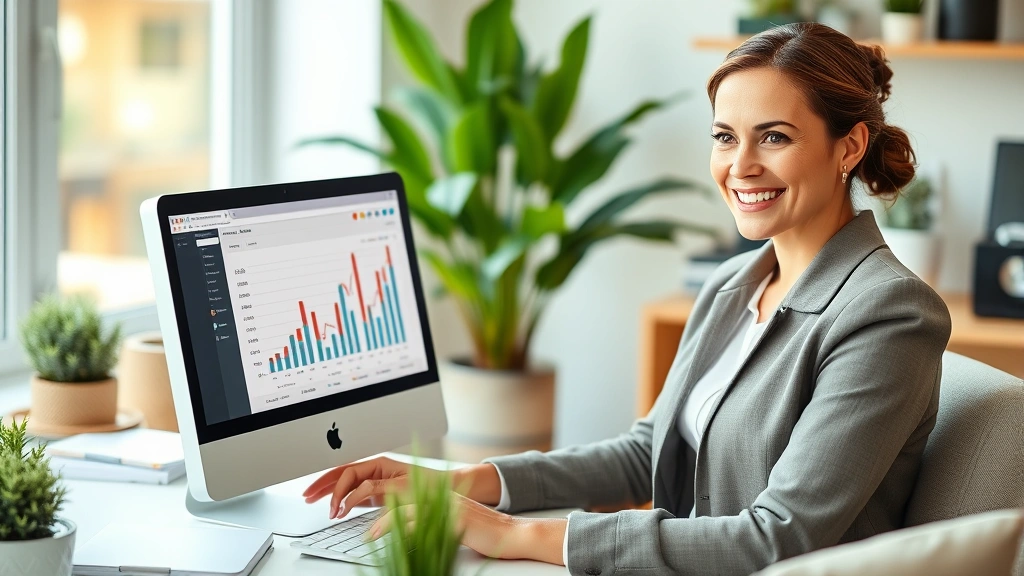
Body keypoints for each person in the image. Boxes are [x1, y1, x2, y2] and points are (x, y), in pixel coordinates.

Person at [302, 22, 952, 575]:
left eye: (774, 137)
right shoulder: (734, 287)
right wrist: (468, 482)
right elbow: (648, 454)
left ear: (849, 147)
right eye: (725, 137)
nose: (741, 165)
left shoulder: (887, 314)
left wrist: (517, 536)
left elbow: (778, 536)